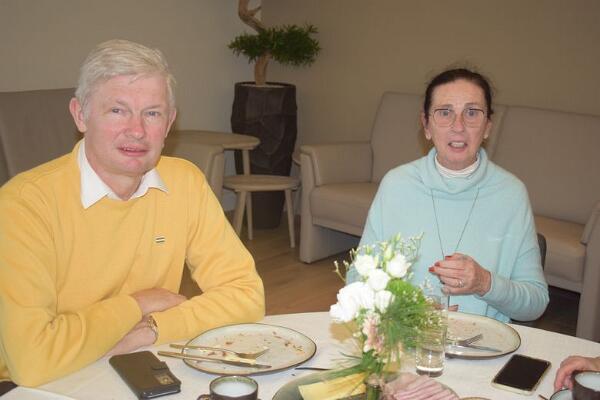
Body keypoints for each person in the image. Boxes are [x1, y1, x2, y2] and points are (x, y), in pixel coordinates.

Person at [0, 39, 264, 387]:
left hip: (142, 358)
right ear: (80, 115)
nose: (137, 131)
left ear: (169, 123)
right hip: (36, 386)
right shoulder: (24, 204)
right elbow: (33, 361)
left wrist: (153, 327)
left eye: (152, 113)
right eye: (117, 110)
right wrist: (138, 305)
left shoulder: (184, 182)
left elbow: (246, 295)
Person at [348, 68, 549, 322]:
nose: (458, 126)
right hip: (405, 337)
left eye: (472, 112)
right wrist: (410, 307)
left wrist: (485, 283)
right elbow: (357, 280)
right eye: (445, 112)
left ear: (488, 127)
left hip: (485, 342)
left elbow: (535, 303)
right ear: (426, 125)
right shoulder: (396, 185)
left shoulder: (511, 194)